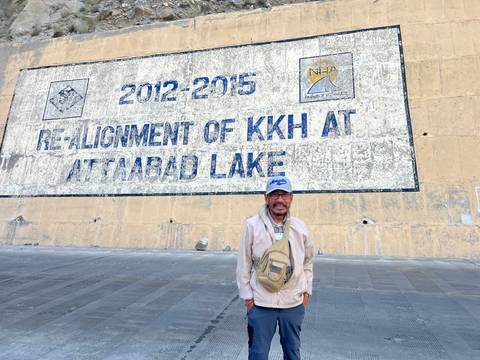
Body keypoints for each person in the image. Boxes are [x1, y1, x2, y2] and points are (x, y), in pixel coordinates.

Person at [236, 175, 314, 360]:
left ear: (291, 198)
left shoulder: (300, 227)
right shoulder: (252, 225)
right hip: (261, 302)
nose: (279, 200)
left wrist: (306, 292)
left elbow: (308, 262)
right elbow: (244, 262)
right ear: (266, 198)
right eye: (274, 195)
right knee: (258, 354)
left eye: (284, 194)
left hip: (293, 303)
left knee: (292, 352)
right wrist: (248, 298)